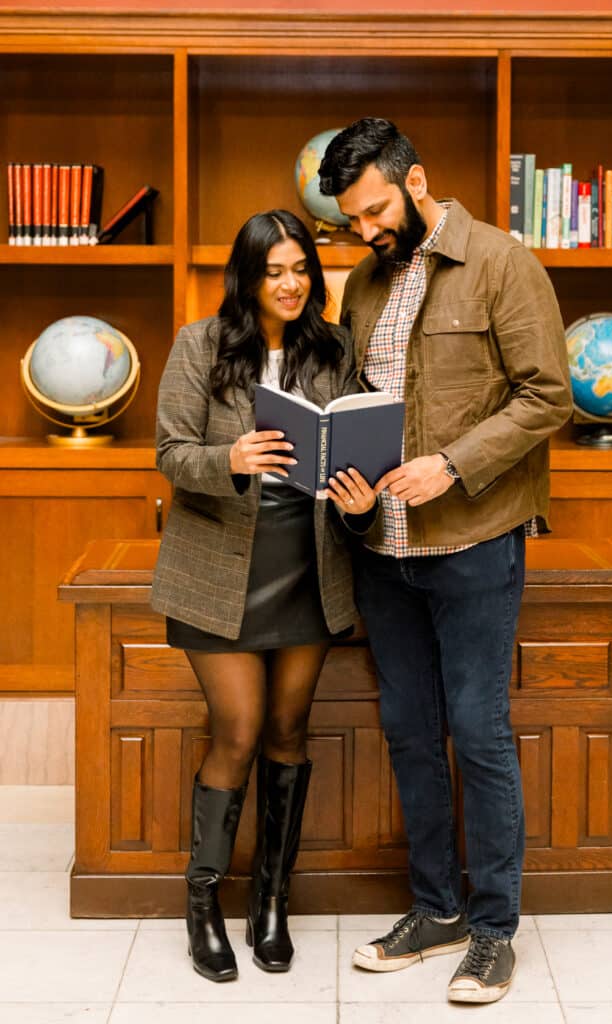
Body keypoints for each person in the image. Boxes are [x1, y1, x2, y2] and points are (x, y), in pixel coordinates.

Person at [318, 118, 572, 1004]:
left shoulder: (502, 263)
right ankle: (436, 911)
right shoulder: (360, 280)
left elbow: (549, 395)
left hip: (472, 543)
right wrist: (347, 480)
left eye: (377, 210)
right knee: (409, 734)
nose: (367, 231)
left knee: (478, 732)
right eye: (352, 219)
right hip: (381, 549)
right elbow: (361, 403)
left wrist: (452, 465)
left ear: (415, 180)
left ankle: (493, 929)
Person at [151, 209, 376, 983]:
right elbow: (171, 451)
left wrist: (360, 494)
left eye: (300, 269)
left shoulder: (334, 348)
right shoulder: (199, 346)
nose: (289, 284)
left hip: (310, 561)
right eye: (273, 270)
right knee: (239, 730)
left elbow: (362, 439)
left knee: (287, 728)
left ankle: (272, 902)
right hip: (220, 567)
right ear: (247, 277)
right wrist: (233, 456)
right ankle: (204, 902)